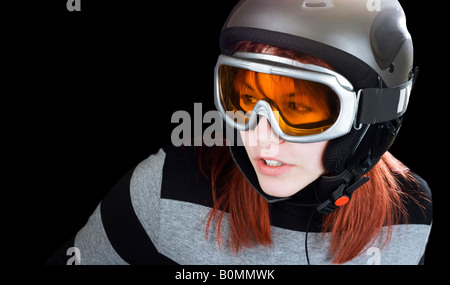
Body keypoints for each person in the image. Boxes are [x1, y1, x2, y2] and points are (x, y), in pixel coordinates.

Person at [46, 0, 432, 265]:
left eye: (298, 107)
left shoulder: (412, 215)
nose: (261, 137)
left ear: (372, 114)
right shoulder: (164, 191)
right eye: (246, 98)